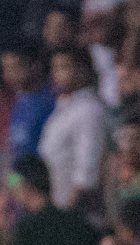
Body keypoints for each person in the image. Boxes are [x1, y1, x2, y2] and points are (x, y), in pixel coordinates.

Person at [8, 154, 100, 245]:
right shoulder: (78, 222)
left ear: (26, 184)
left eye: (12, 180)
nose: (11, 188)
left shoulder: (25, 230)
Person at [37, 46, 107, 210]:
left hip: (73, 208)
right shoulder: (63, 107)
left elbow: (87, 168)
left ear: (82, 70)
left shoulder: (88, 110)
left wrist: (70, 210)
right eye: (54, 67)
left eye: (64, 67)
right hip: (54, 203)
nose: (56, 74)